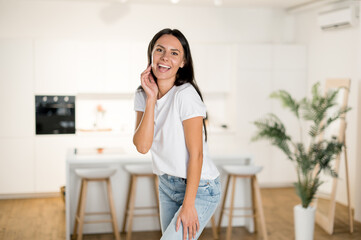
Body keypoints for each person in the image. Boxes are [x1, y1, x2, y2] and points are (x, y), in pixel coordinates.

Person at [133, 28, 221, 240]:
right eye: (160, 50)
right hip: (166, 184)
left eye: (174, 53)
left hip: (199, 188)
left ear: (183, 62)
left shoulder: (185, 95)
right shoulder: (142, 94)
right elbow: (142, 146)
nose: (165, 57)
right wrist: (151, 99)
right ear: (151, 55)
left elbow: (196, 154)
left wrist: (189, 204)